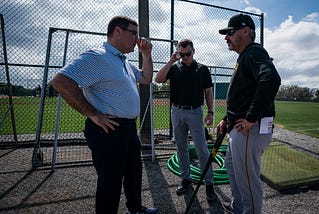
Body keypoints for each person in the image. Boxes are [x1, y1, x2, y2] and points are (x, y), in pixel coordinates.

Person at [50, 16, 159, 214]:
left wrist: (146, 55)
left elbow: (146, 78)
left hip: (127, 127)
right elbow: (60, 81)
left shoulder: (122, 60)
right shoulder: (98, 56)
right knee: (110, 182)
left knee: (134, 173)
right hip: (107, 129)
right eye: (133, 33)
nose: (137, 39)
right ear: (118, 31)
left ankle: (135, 209)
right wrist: (93, 114)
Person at [216, 14, 281, 214]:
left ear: (245, 31)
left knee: (247, 178)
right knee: (231, 166)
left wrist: (251, 118)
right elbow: (243, 96)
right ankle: (238, 207)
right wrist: (227, 119)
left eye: (230, 32)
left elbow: (270, 79)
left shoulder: (254, 52)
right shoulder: (245, 56)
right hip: (240, 128)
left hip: (249, 131)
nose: (226, 37)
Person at [155, 39, 217, 201]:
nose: (185, 57)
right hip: (177, 111)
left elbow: (208, 92)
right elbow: (158, 79)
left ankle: (209, 184)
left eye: (188, 54)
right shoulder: (174, 68)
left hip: (195, 112)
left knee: (202, 149)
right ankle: (186, 180)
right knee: (181, 147)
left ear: (193, 51)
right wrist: (171, 60)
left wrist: (210, 112)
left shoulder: (202, 69)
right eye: (182, 54)